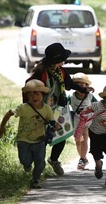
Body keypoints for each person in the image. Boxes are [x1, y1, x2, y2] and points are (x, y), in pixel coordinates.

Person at [26, 42, 91, 176]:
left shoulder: (60, 71)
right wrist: (30, 108)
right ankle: (37, 166)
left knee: (61, 136)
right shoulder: (41, 73)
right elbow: (29, 88)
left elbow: (69, 84)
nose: (64, 61)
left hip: (59, 109)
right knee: (42, 138)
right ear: (56, 60)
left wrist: (83, 89)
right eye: (62, 59)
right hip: (43, 110)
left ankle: (54, 160)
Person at [0, 80, 55, 189]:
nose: (34, 96)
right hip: (23, 140)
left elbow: (51, 121)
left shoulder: (47, 109)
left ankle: (35, 180)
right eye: (30, 93)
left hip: (40, 140)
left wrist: (55, 126)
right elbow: (10, 113)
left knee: (40, 163)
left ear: (42, 95)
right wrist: (2, 128)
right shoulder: (23, 108)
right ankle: (27, 164)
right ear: (27, 95)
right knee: (25, 160)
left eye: (37, 93)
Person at [68, 72, 97, 170]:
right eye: (78, 85)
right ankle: (83, 158)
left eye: (83, 85)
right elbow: (63, 107)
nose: (80, 87)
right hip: (77, 120)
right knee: (78, 140)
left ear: (87, 86)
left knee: (85, 137)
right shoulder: (71, 97)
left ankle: (82, 158)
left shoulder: (90, 97)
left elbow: (97, 106)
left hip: (88, 121)